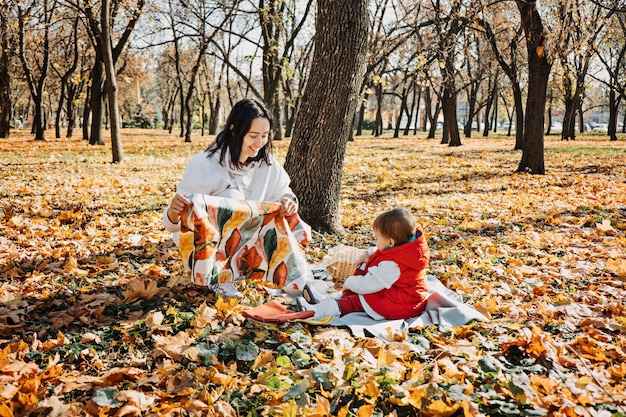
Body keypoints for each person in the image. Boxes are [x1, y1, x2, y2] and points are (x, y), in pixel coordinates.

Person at [163, 98, 300, 298]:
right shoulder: (205, 165)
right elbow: (175, 225)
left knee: (288, 216)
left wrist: (288, 200)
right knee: (232, 198)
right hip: (205, 245)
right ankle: (219, 278)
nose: (260, 143)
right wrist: (174, 212)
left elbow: (284, 191)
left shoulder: (266, 163)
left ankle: (274, 272)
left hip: (248, 239)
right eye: (253, 135)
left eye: (264, 135)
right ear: (235, 130)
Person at [297, 208, 430, 320]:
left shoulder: (393, 266)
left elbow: (368, 285)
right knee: (355, 294)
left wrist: (350, 282)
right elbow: (383, 253)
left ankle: (315, 311)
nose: (375, 241)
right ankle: (324, 300)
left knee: (355, 301)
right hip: (395, 292)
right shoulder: (402, 248)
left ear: (390, 242)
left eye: (377, 238)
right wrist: (369, 253)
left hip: (400, 304)